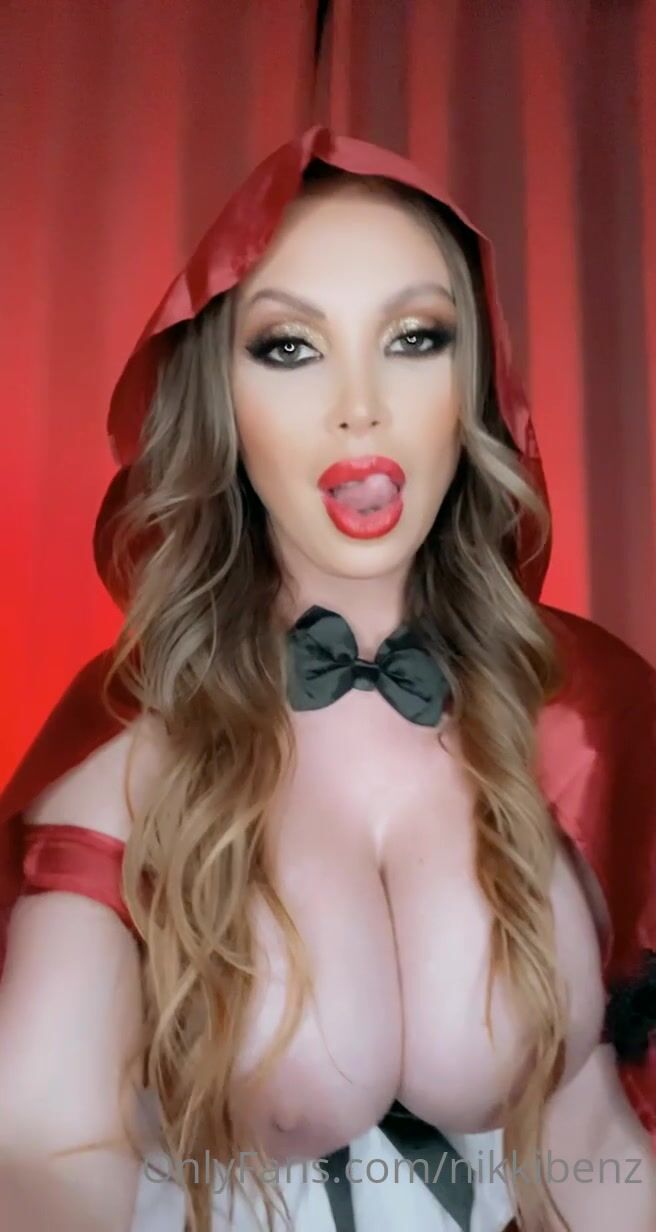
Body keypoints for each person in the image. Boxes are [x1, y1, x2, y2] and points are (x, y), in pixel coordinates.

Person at [0, 126, 654, 1232]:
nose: (361, 404)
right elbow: (39, 1148)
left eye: (414, 338)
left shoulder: (584, 717)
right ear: (218, 401)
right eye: (290, 347)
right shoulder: (126, 749)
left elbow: (597, 1137)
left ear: (477, 384)